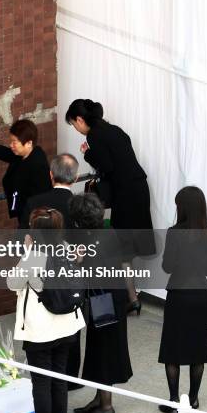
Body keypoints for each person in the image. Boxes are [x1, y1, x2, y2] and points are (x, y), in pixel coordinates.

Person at [65, 99, 154, 313]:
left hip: (126, 195)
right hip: (139, 189)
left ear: (80, 119)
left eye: (74, 124)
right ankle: (131, 296)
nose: (76, 129)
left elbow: (106, 166)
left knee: (121, 248)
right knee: (126, 248)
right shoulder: (114, 129)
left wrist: (87, 153)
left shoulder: (94, 136)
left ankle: (130, 299)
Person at [7, 208, 85, 413]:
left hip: (40, 329)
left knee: (41, 382)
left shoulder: (34, 256)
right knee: (59, 378)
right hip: (68, 324)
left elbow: (12, 283)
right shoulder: (64, 249)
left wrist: (27, 252)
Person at [20, 153, 83, 388]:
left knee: (41, 315)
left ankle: (44, 373)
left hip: (39, 269)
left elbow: (22, 238)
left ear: (50, 174)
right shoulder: (79, 204)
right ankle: (70, 376)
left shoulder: (34, 202)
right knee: (72, 314)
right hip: (70, 269)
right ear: (76, 177)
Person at [69, 193, 133, 413]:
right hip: (113, 297)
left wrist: (77, 261)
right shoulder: (109, 231)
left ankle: (106, 405)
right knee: (99, 348)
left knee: (103, 349)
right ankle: (98, 398)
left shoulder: (88, 241)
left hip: (102, 299)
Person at [158, 186, 207, 413]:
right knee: (196, 350)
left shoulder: (174, 232)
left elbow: (167, 266)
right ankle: (193, 399)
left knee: (172, 349)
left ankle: (173, 399)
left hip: (178, 293)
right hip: (200, 294)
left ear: (182, 207)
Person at [0, 119, 51, 225]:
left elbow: (39, 201)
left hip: (32, 220)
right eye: (11, 141)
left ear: (29, 143)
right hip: (25, 214)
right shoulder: (27, 153)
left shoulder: (37, 165)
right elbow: (6, 153)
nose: (11, 145)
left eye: (14, 142)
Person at [20, 153, 79, 229]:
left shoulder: (32, 202)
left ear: (51, 174)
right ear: (76, 178)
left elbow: (21, 236)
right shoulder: (79, 207)